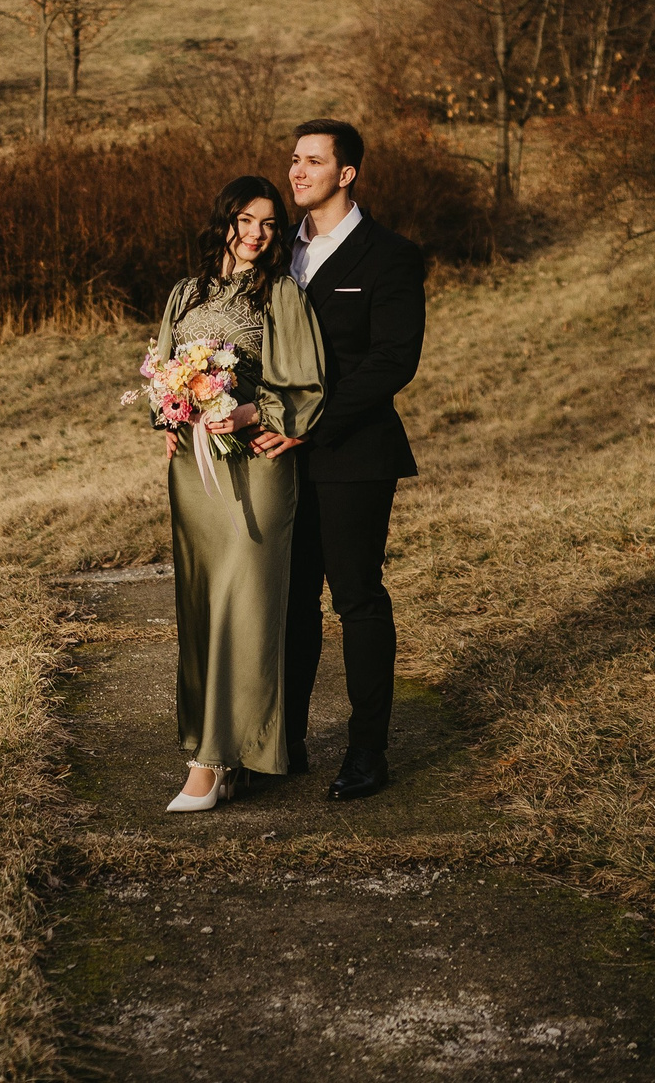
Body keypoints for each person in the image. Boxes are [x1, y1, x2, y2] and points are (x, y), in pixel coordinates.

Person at [251, 118, 426, 802]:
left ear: (346, 172)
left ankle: (367, 751)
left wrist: (306, 421)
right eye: (294, 159)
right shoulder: (276, 253)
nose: (296, 172)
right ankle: (284, 742)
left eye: (313, 161)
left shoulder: (390, 256)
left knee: (356, 598)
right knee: (291, 603)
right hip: (276, 460)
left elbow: (393, 361)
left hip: (355, 454)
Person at [150, 175, 327, 813]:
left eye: (269, 224)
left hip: (256, 468)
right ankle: (217, 754)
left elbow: (306, 381)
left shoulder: (280, 294)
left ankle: (218, 759)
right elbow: (161, 368)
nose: (255, 235)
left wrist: (252, 413)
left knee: (246, 606)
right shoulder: (184, 292)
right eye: (244, 221)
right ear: (224, 220)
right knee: (201, 605)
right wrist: (170, 416)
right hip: (196, 477)